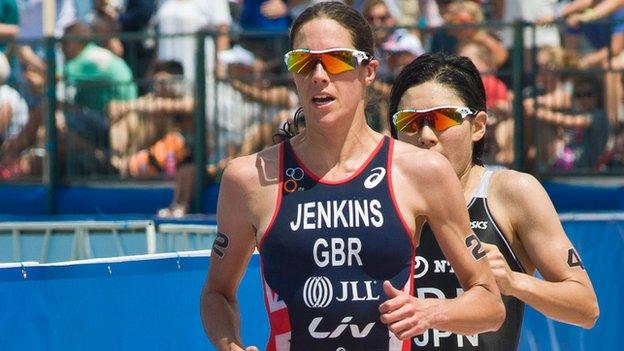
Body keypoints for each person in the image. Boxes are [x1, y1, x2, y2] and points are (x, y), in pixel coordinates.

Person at [200, 2, 504, 350]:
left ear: (369, 70)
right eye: (303, 61)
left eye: (336, 60)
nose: (318, 75)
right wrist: (231, 346)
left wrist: (431, 312)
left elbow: (490, 303)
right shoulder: (248, 178)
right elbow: (216, 293)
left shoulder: (422, 171)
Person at [387, 52, 599, 349]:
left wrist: (513, 281)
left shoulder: (510, 193)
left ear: (478, 126)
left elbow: (586, 307)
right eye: (410, 121)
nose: (425, 135)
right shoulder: (379, 200)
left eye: (442, 119)